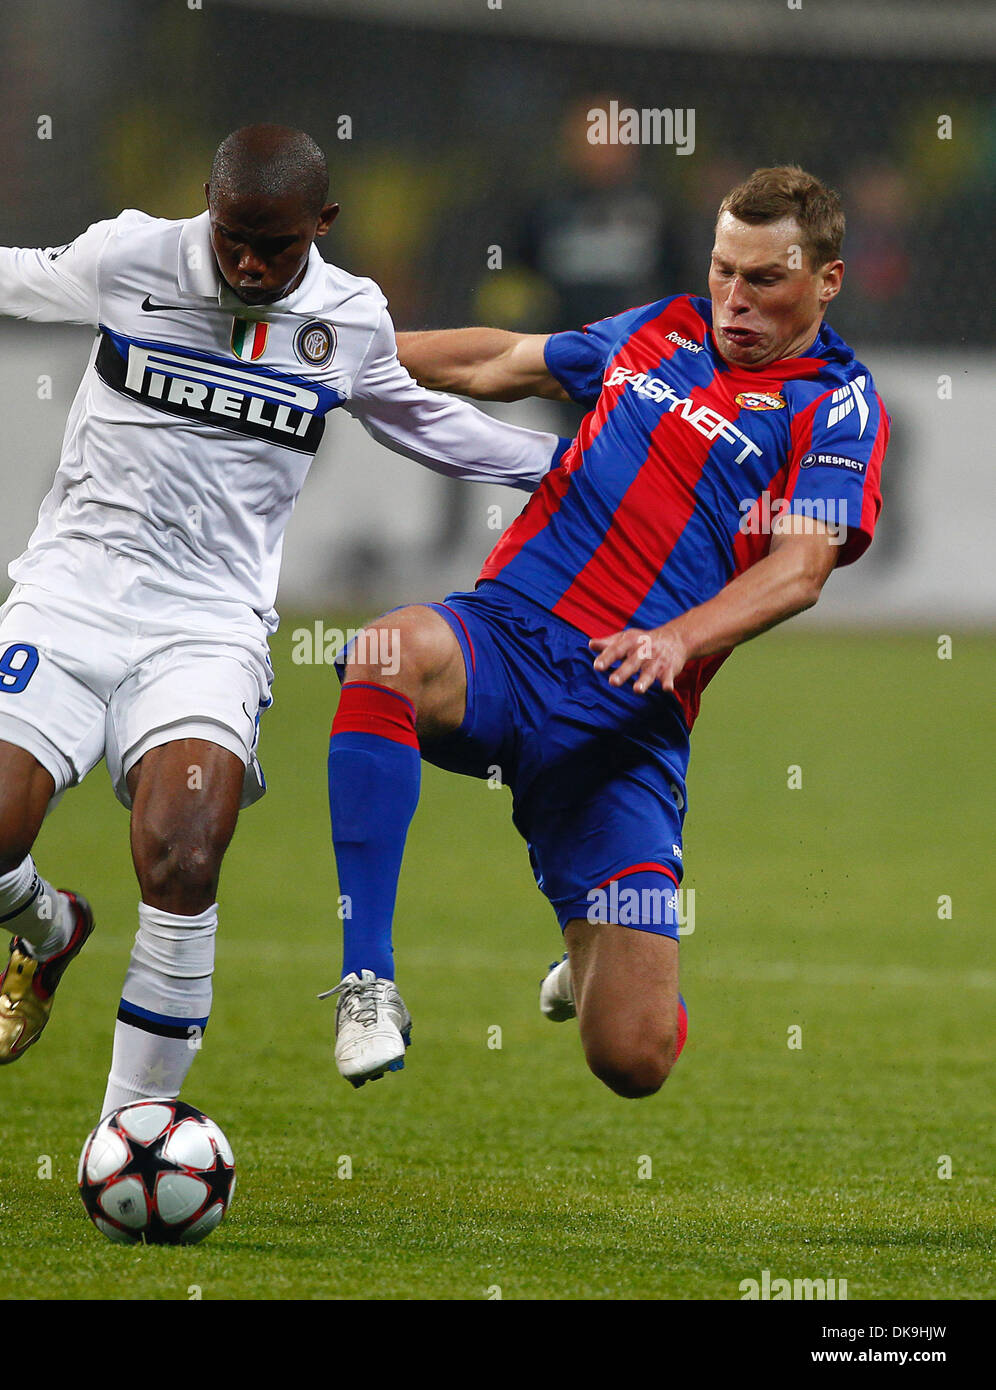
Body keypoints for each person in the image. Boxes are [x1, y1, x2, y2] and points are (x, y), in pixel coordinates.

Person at [0, 125, 561, 1120]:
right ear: (205, 202)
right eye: (230, 236)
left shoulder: (347, 320)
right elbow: (17, 275)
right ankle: (49, 930)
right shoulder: (132, 257)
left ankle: (131, 1132)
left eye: (274, 246)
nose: (247, 263)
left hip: (208, 628)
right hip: (71, 594)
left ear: (321, 227)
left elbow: (434, 428)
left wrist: (580, 473)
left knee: (182, 852)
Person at [319, 166, 888, 1098]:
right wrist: (337, 351)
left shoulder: (836, 405)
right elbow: (501, 362)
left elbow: (801, 570)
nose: (734, 302)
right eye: (722, 271)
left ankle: (599, 965)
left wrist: (677, 640)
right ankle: (367, 982)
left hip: (629, 717)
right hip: (506, 641)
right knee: (386, 654)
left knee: (632, 1059)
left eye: (765, 282)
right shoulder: (659, 330)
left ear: (826, 280)